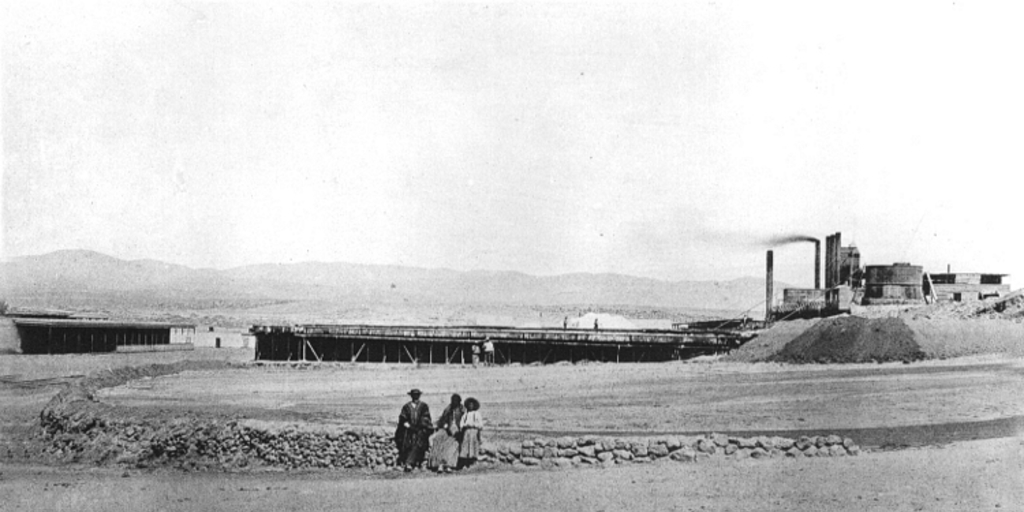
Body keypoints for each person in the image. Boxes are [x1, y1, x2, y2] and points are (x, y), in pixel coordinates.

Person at [394, 388, 432, 472]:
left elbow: (426, 418)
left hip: (420, 430)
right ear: (411, 396)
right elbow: (403, 419)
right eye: (414, 395)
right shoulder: (406, 407)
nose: (415, 397)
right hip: (408, 430)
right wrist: (407, 425)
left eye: (417, 395)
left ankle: (409, 463)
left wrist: (420, 426)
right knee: (407, 441)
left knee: (419, 441)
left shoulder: (423, 406)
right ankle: (407, 462)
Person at [427, 394, 465, 473]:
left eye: (456, 400)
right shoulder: (448, 409)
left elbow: (465, 422)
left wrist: (460, 430)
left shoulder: (463, 410)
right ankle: (437, 464)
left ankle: (448, 465)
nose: (454, 402)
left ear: (459, 401)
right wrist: (445, 426)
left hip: (459, 431)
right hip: (447, 429)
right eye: (453, 400)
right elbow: (443, 419)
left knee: (453, 444)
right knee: (438, 439)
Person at [457, 397, 483, 469]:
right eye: (469, 405)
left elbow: (480, 424)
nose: (470, 406)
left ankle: (472, 462)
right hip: (466, 431)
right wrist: (464, 426)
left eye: (472, 405)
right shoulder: (465, 415)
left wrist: (474, 425)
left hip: (474, 431)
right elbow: (461, 424)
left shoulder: (477, 414)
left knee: (473, 445)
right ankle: (466, 462)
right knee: (465, 446)